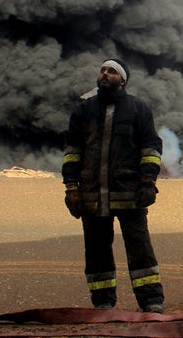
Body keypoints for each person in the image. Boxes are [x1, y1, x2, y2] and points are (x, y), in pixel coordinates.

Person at [61, 58, 164, 313]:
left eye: (111, 71)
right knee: (97, 252)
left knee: (140, 248)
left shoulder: (138, 109)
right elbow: (72, 152)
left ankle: (151, 301)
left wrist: (148, 181)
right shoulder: (84, 111)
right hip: (92, 195)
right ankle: (103, 302)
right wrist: (71, 188)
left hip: (129, 194)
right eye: (103, 70)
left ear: (123, 80)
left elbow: (150, 148)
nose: (104, 74)